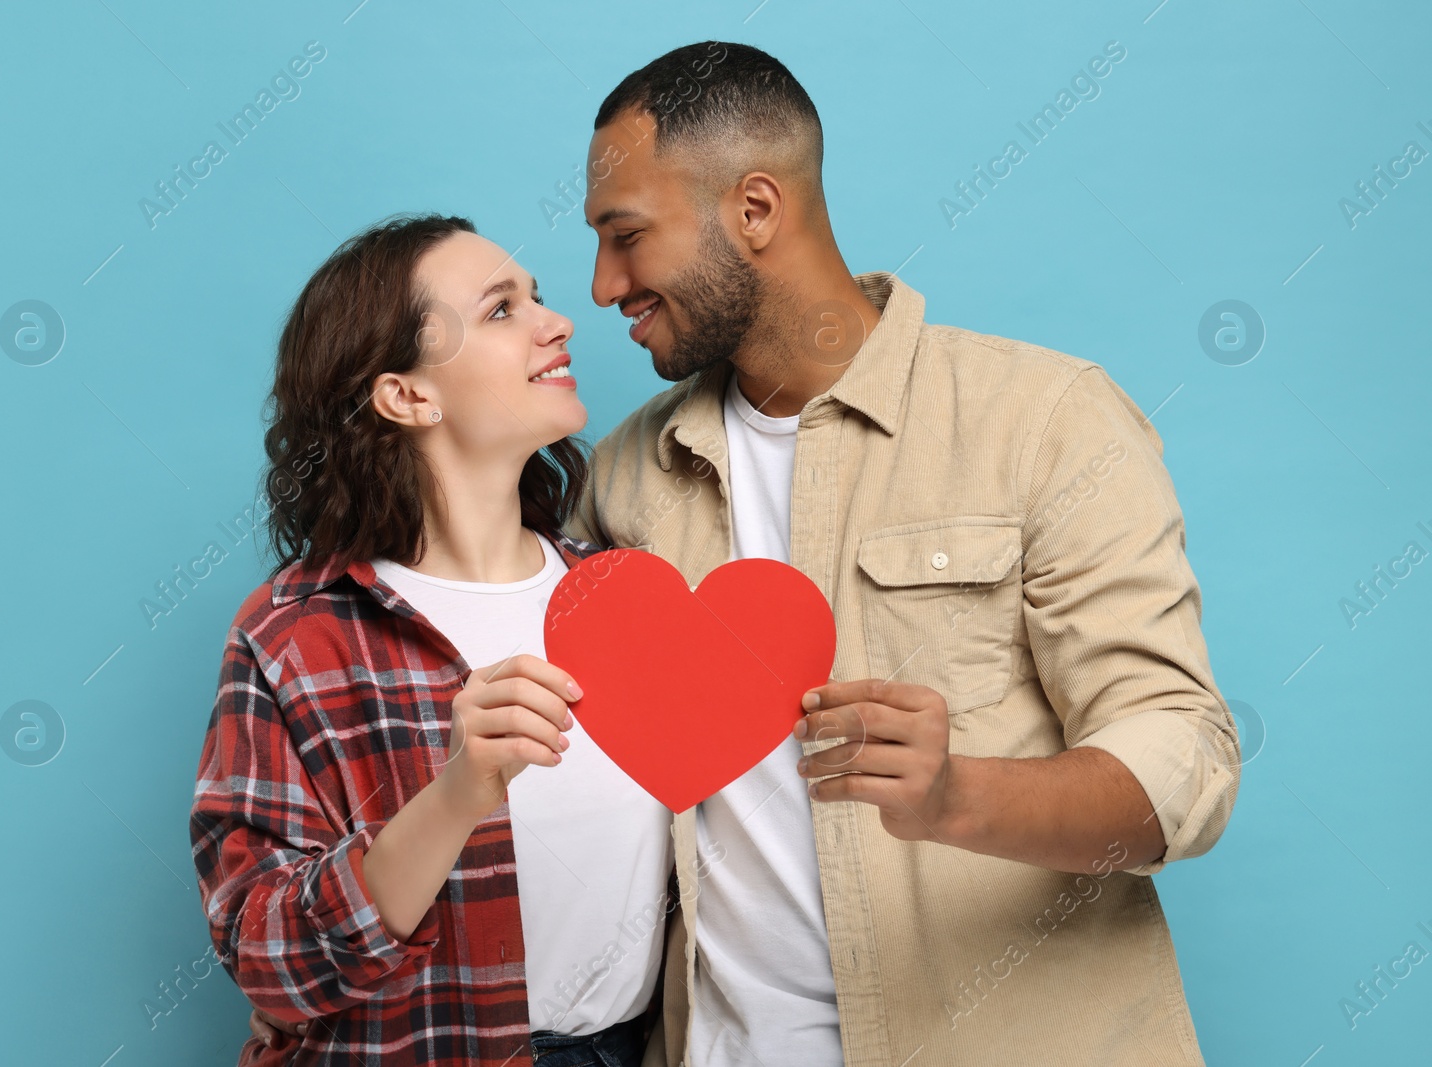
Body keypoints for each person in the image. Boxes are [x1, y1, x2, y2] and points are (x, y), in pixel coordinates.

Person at [560, 40, 1241, 1067]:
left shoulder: (1045, 420)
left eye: (626, 235)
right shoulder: (627, 474)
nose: (605, 283)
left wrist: (956, 794)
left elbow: (1183, 760)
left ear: (753, 211)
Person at [190, 213, 673, 1067]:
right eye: (500, 310)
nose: (556, 322)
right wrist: (456, 793)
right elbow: (264, 958)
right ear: (407, 395)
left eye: (539, 299)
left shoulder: (623, 595)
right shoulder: (295, 634)